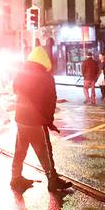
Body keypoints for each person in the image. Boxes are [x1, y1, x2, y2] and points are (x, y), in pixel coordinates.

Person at [10, 46, 72, 193]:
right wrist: (49, 121)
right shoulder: (46, 77)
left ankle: (16, 178)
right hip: (35, 120)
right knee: (45, 151)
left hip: (21, 118)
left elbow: (15, 90)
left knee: (20, 149)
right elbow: (50, 101)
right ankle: (53, 180)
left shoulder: (21, 73)